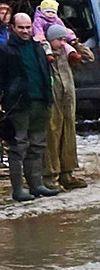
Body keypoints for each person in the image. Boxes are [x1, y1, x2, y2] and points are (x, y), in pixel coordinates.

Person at [2, 12, 58, 201]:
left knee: (38, 144)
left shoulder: (38, 48)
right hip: (18, 103)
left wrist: (48, 96)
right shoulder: (5, 50)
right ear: (13, 28)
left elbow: (45, 72)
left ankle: (36, 185)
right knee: (19, 145)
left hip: (40, 101)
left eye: (27, 27)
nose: (25, 31)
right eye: (21, 28)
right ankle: (18, 190)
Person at [34, 1, 85, 191]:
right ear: (50, 39)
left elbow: (88, 58)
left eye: (63, 39)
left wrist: (74, 43)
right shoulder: (42, 55)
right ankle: (50, 176)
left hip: (68, 100)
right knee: (52, 135)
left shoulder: (65, 54)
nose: (62, 42)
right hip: (52, 100)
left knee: (68, 134)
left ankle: (67, 173)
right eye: (59, 40)